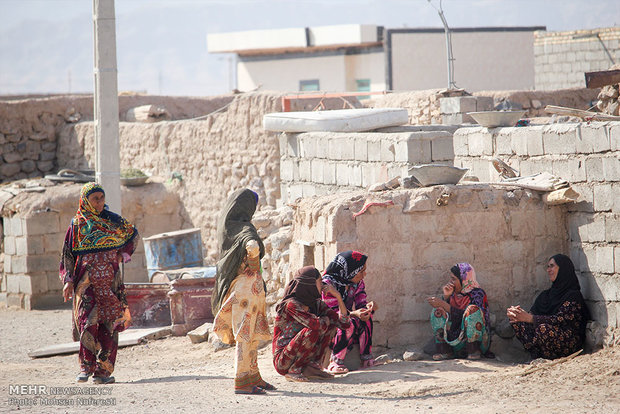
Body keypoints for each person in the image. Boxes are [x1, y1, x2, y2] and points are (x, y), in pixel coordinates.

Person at [59, 183, 138, 384]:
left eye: (101, 198)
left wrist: (123, 254)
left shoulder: (113, 221)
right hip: (86, 284)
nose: (100, 202)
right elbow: (67, 254)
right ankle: (86, 366)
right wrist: (68, 280)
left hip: (111, 283)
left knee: (109, 324)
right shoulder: (77, 225)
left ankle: (103, 372)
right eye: (95, 199)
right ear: (86, 201)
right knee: (87, 322)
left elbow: (133, 235)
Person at [212, 188, 273, 395]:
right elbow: (252, 246)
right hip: (246, 291)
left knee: (252, 335)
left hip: (241, 290)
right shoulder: (245, 228)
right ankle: (242, 381)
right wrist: (254, 266)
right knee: (245, 335)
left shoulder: (228, 226)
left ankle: (254, 376)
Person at [273, 266, 350, 382]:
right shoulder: (291, 305)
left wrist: (338, 296)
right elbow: (315, 325)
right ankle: (294, 370)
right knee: (313, 329)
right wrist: (325, 320)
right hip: (283, 361)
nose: (323, 285)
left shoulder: (316, 304)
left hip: (301, 357)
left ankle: (313, 367)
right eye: (320, 282)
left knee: (329, 325)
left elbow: (343, 324)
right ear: (310, 285)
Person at [507, 254, 591, 360]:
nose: (548, 270)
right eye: (548, 266)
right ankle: (538, 356)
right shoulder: (546, 295)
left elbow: (560, 320)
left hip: (568, 341)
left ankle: (550, 357)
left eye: (552, 266)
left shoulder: (573, 296)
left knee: (543, 329)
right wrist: (518, 314)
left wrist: (531, 318)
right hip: (543, 336)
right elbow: (532, 314)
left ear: (563, 269)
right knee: (518, 322)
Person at [321, 250, 378, 374]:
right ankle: (335, 362)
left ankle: (366, 359)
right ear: (349, 271)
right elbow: (331, 312)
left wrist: (368, 308)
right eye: (361, 271)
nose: (364, 274)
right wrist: (353, 314)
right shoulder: (327, 284)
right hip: (328, 323)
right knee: (348, 324)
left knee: (366, 320)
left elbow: (361, 301)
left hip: (346, 316)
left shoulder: (356, 283)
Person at [427, 263, 491, 360]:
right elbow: (449, 318)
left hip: (476, 342)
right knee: (437, 311)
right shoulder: (453, 294)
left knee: (472, 310)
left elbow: (469, 316)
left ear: (464, 280)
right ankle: (445, 351)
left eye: (454, 279)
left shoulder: (478, 294)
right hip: (454, 343)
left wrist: (444, 304)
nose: (451, 282)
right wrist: (446, 297)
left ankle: (474, 351)